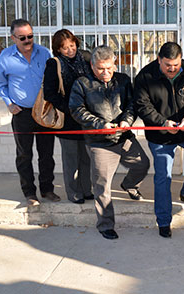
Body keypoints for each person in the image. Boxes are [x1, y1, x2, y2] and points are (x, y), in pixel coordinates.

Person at [134, 42, 184, 238]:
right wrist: (162, 123)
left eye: (176, 65)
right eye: (167, 65)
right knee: (164, 176)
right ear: (159, 60)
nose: (172, 69)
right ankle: (163, 221)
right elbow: (142, 106)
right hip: (160, 135)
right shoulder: (145, 76)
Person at [69, 45, 150, 240]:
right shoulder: (82, 83)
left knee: (143, 164)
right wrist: (100, 124)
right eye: (100, 68)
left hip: (123, 136)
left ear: (115, 63)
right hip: (99, 141)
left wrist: (127, 121)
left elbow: (132, 104)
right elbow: (76, 109)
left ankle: (129, 185)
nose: (105, 73)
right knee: (102, 185)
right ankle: (105, 224)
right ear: (92, 65)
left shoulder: (123, 79)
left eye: (109, 68)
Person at [0, 19, 60, 206]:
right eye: (22, 37)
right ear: (13, 37)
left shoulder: (44, 53)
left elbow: (52, 80)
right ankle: (29, 193)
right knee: (24, 155)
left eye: (30, 36)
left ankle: (47, 190)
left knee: (46, 153)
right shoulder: (6, 56)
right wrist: (9, 104)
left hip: (43, 111)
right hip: (21, 113)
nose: (27, 40)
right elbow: (1, 85)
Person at [43, 29, 95, 204]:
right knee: (71, 159)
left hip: (87, 117)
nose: (70, 50)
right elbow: (50, 94)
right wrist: (70, 109)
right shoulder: (54, 64)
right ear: (58, 49)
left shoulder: (86, 58)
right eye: (65, 48)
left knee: (87, 157)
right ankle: (74, 193)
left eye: (72, 46)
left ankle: (87, 190)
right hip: (68, 119)